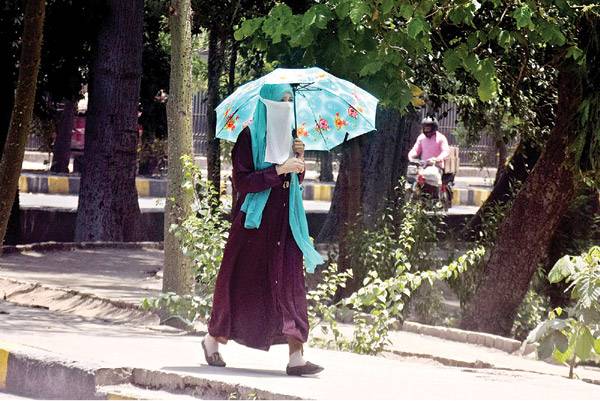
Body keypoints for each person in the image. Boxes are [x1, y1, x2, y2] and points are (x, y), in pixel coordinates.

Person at [202, 83, 325, 376]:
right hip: (254, 227)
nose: (285, 104)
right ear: (267, 101)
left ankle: (296, 357)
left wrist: (299, 163)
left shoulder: (292, 136)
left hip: (286, 225)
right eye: (280, 99)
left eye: (289, 99)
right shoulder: (248, 137)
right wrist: (279, 170)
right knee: (242, 287)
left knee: (290, 284)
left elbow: (293, 183)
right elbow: (244, 183)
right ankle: (212, 339)